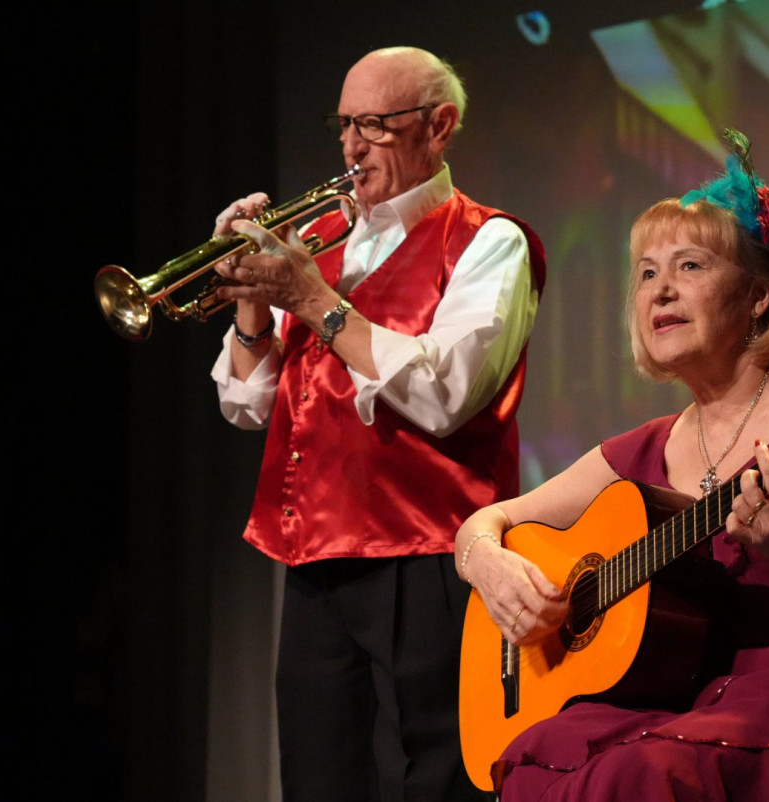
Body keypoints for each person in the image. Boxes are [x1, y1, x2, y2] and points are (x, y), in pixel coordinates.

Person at [454, 132, 769, 800]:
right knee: (535, 757)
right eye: (647, 273)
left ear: (756, 296)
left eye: (690, 267)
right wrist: (487, 560)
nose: (661, 290)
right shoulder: (640, 451)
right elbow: (485, 522)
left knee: (636, 773)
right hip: (693, 705)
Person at [209, 47, 546, 802]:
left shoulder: (490, 242)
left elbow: (447, 393)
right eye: (344, 126)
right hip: (315, 564)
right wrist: (253, 303)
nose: (352, 147)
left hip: (426, 556)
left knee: (434, 781)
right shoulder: (326, 240)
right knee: (319, 779)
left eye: (375, 126)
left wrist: (315, 301)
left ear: (439, 126)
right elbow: (248, 405)